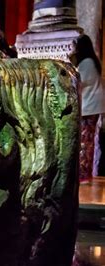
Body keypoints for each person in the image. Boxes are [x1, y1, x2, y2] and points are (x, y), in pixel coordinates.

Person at [70, 34, 104, 183]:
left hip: (89, 107)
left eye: (75, 47)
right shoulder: (92, 62)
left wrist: (72, 64)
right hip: (93, 106)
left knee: (85, 142)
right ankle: (86, 173)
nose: (74, 50)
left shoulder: (86, 63)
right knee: (88, 141)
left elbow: (76, 82)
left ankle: (83, 175)